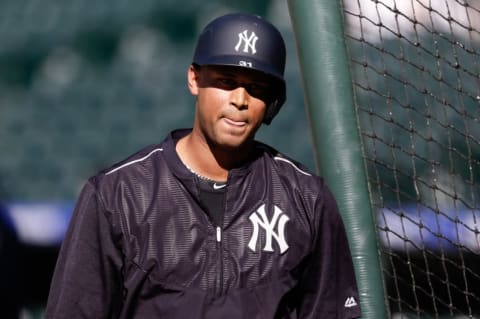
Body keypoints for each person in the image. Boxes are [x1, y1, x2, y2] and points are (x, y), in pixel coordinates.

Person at [45, 12, 362, 318]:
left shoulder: (305, 197)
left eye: (257, 88)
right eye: (226, 81)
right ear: (194, 79)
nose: (240, 99)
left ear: (272, 102)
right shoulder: (118, 195)